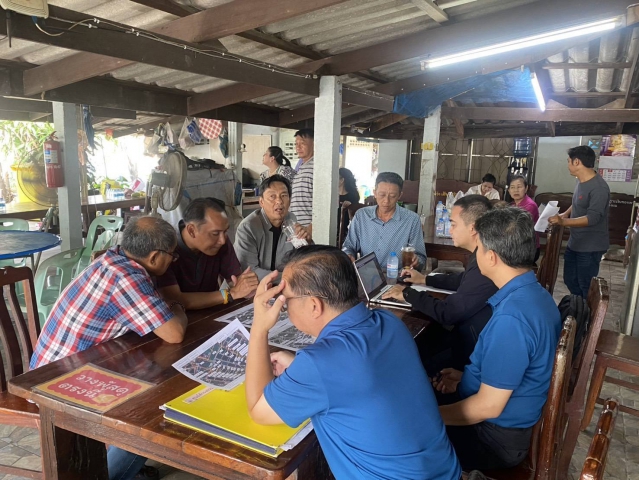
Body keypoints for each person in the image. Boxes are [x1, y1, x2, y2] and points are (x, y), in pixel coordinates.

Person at [245, 246, 461, 480]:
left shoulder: (320, 364)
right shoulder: (389, 321)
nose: (285, 307)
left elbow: (258, 410)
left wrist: (259, 328)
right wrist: (302, 367)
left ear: (314, 305)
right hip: (446, 471)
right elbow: (357, 373)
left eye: (286, 301)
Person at [30, 216, 189, 480]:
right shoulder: (126, 278)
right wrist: (178, 307)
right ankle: (111, 473)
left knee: (147, 382)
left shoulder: (113, 258)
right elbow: (174, 333)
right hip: (57, 382)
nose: (173, 261)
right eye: (172, 255)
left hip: (61, 366)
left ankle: (121, 463)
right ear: (154, 257)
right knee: (148, 414)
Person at [433, 208, 561, 471]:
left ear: (491, 257)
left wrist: (430, 418)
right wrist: (468, 378)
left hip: (493, 439)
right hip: (504, 420)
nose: (476, 255)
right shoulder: (534, 294)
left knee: (403, 430)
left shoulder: (512, 318)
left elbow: (487, 407)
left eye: (478, 248)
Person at [382, 195, 497, 373]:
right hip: (468, 334)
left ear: (472, 228)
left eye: (453, 224)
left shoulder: (486, 262)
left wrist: (407, 294)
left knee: (412, 351)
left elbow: (448, 313)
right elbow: (463, 280)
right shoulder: (481, 254)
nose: (449, 230)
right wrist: (425, 279)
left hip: (471, 350)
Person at [157, 197, 258, 309]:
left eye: (225, 231)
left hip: (213, 310)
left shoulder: (220, 241)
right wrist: (230, 294)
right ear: (191, 230)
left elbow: (234, 279)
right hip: (179, 315)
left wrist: (246, 286)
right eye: (215, 233)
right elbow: (176, 299)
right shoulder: (166, 249)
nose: (222, 240)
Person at [549, 145, 610, 298]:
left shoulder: (599, 188)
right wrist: (565, 214)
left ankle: (585, 312)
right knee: (570, 280)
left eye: (568, 161)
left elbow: (593, 218)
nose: (567, 165)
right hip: (575, 242)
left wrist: (563, 222)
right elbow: (578, 202)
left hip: (590, 247)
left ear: (576, 162)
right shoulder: (580, 181)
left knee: (585, 285)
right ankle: (578, 307)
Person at [342, 172, 426, 268]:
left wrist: (416, 260)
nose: (386, 201)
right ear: (375, 193)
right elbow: (348, 246)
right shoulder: (362, 216)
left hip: (398, 275)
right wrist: (348, 255)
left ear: (400, 195)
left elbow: (421, 258)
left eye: (392, 196)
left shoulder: (412, 220)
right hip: (367, 274)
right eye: (382, 195)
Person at [234, 175, 303, 281]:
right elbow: (249, 271)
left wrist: (307, 241)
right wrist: (288, 278)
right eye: (272, 196)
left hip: (283, 284)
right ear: (261, 202)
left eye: (284, 195)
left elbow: (301, 257)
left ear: (289, 200)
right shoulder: (248, 227)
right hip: (255, 287)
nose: (279, 201)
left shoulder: (291, 219)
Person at [509, 175, 540, 262]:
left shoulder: (530, 205)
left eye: (519, 187)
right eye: (512, 187)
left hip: (528, 249)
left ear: (526, 189)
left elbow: (519, 229)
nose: (516, 190)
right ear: (509, 191)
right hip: (516, 246)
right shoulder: (512, 205)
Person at [289, 129, 315, 234]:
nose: (298, 147)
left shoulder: (317, 167)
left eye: (302, 143)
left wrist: (310, 229)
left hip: (310, 232)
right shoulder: (301, 167)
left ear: (314, 144)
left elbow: (325, 203)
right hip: (299, 231)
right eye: (296, 144)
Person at [338, 167, 360, 234]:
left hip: (343, 232)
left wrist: (350, 207)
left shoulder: (353, 196)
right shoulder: (332, 195)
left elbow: (354, 219)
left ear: (342, 180)